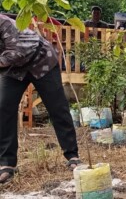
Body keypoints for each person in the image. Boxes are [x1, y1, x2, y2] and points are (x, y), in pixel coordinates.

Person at [0, 14, 81, 184]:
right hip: (13, 69)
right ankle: (7, 164)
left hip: (41, 60)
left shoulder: (4, 23)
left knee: (57, 107)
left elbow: (16, 52)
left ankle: (72, 155)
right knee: (4, 108)